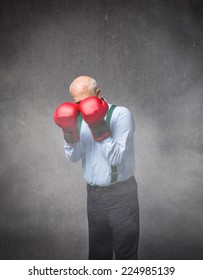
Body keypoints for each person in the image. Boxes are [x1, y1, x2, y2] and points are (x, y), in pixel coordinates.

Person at [54, 75, 139, 260]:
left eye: (85, 100)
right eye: (77, 102)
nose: (81, 106)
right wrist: (68, 132)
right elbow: (74, 157)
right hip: (94, 197)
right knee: (98, 258)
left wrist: (96, 123)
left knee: (126, 257)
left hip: (122, 196)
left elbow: (116, 157)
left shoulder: (121, 114)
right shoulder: (77, 119)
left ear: (98, 93)